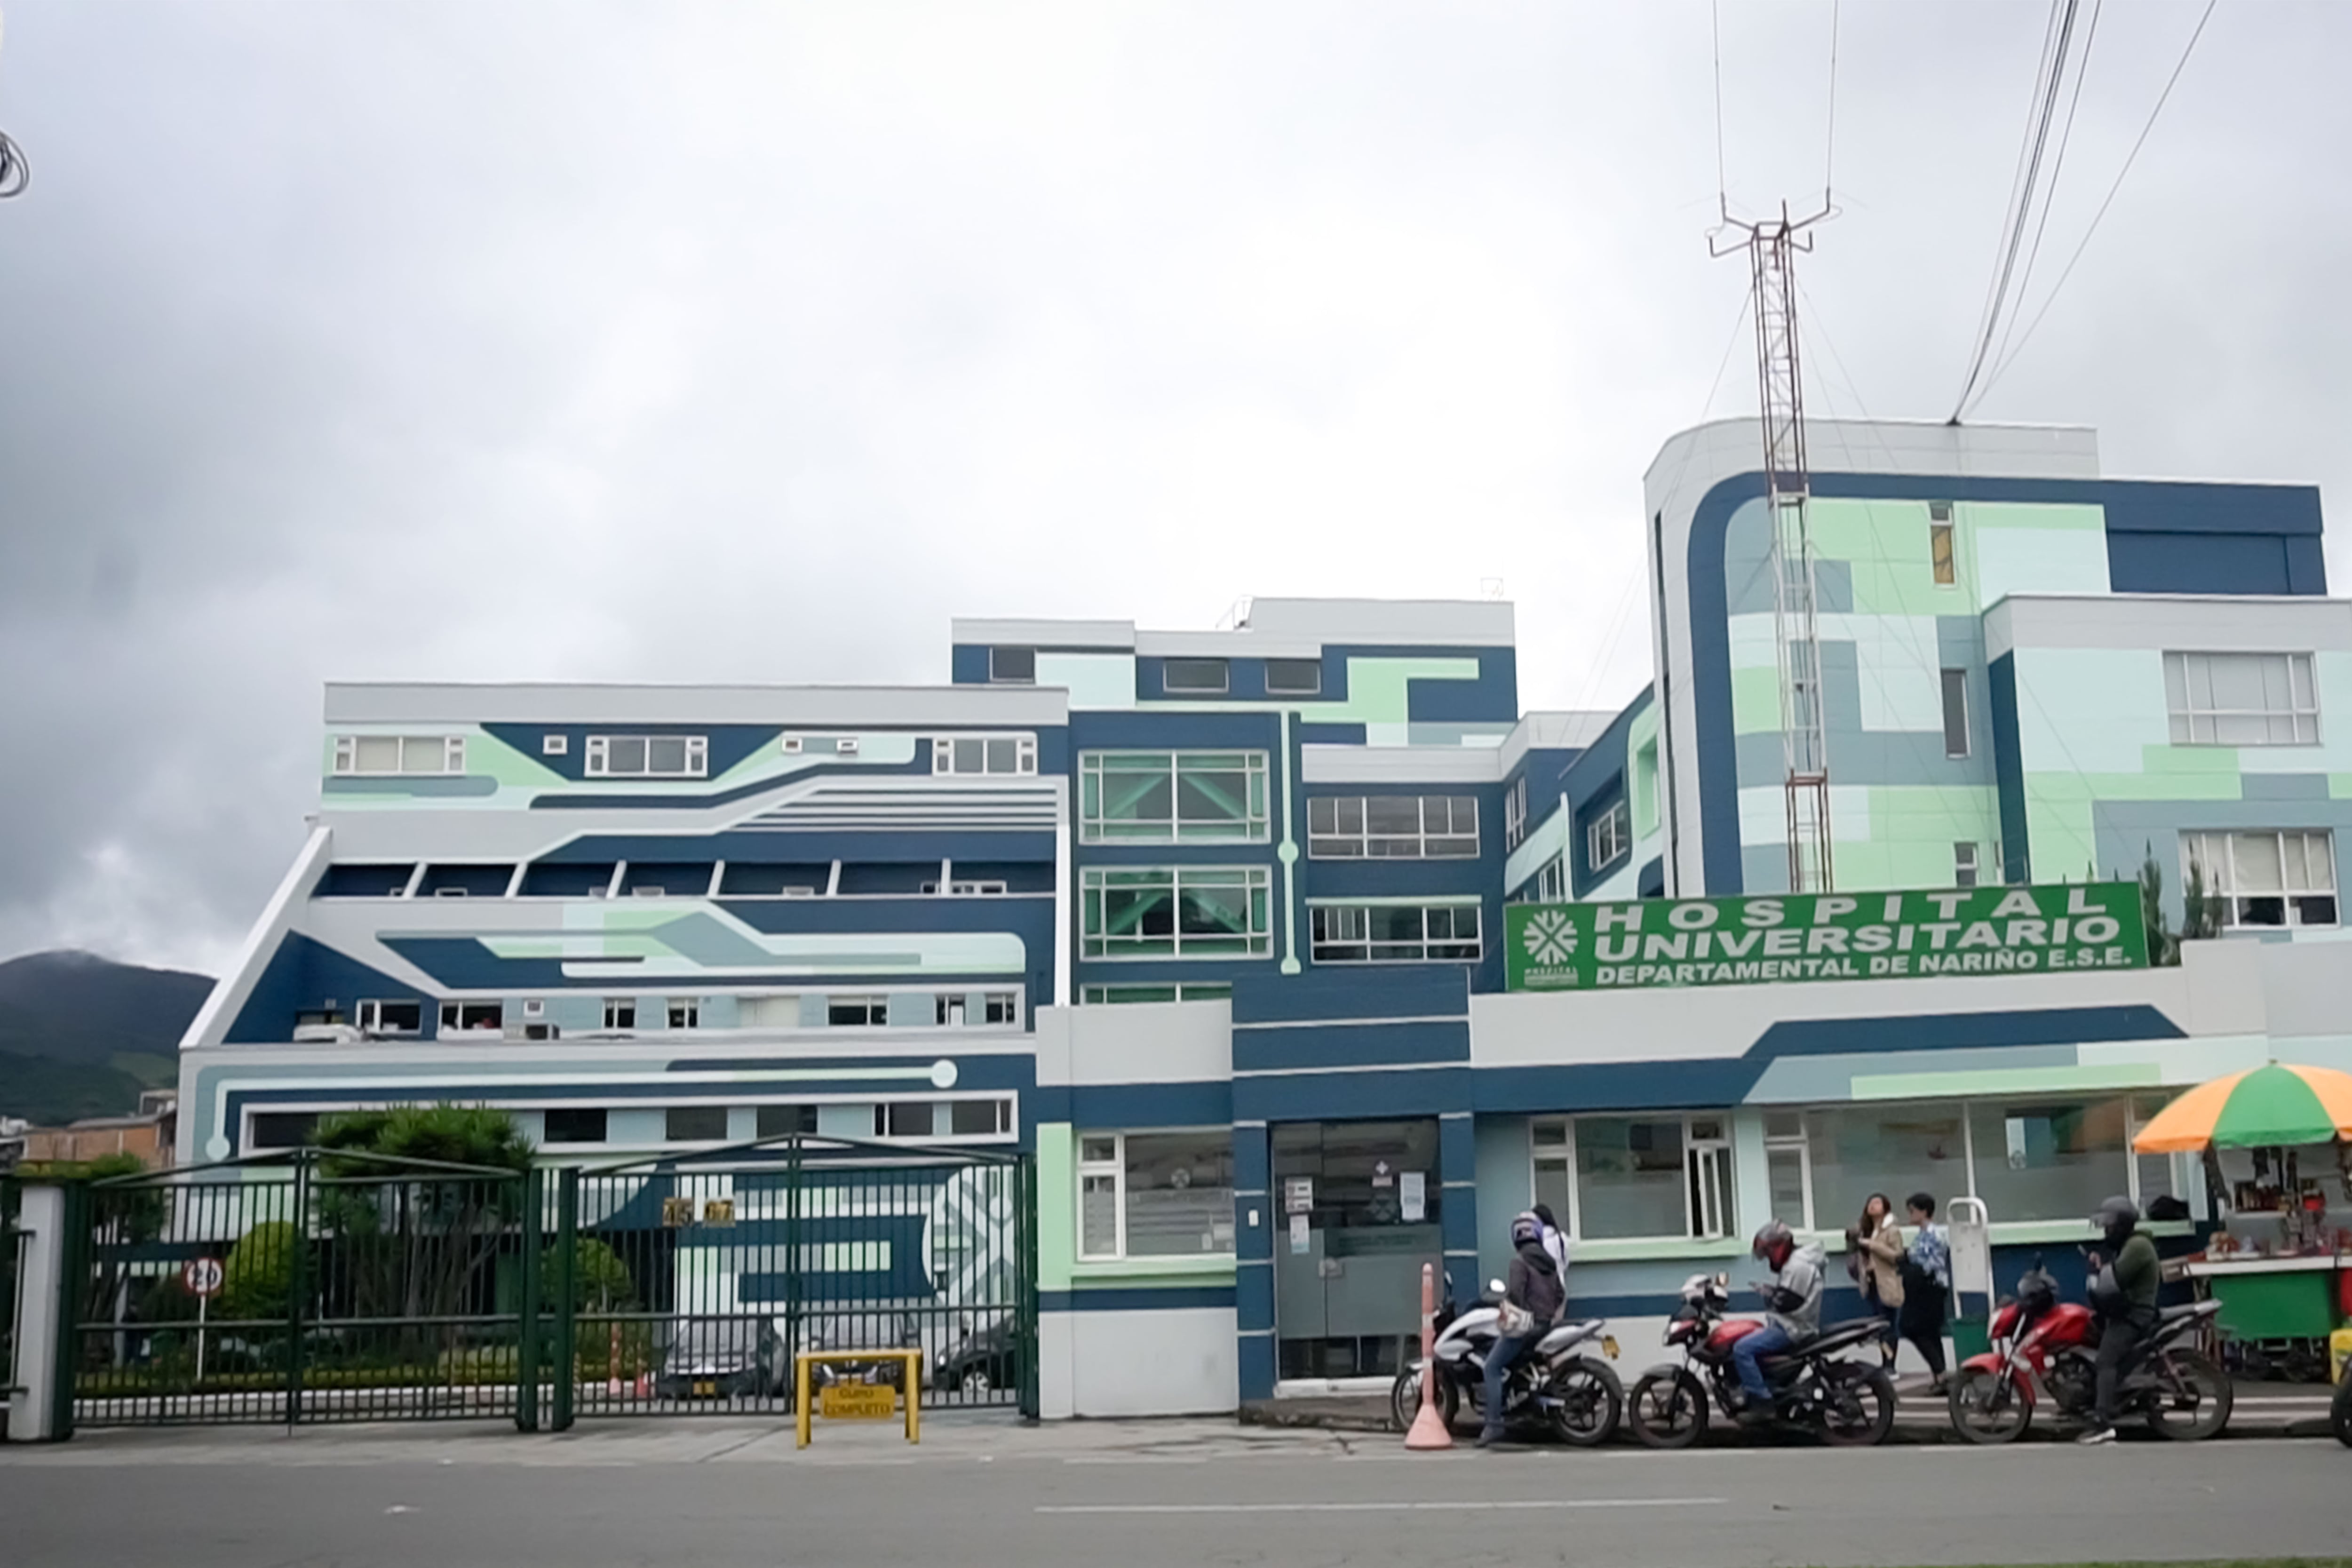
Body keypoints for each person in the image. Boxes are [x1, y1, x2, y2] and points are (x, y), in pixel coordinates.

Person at [2079, 1194, 2160, 1446]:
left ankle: (2103, 1423)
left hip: (2134, 1314)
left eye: (2110, 1227)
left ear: (2123, 1226)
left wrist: (2098, 1271)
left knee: (2105, 1361)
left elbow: (2116, 1280)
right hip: (2126, 1310)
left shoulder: (2137, 1247)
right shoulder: (2130, 1246)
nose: (2107, 1232)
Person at [1479, 1209, 1564, 1447]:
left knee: (1492, 1367)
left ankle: (1493, 1425)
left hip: (1526, 1327)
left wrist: (1512, 1308)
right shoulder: (1549, 1262)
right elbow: (1560, 1294)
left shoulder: (1519, 1261)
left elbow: (1516, 1294)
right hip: (1545, 1325)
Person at [1733, 1218, 1824, 1422]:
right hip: (1791, 1323)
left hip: (1792, 1328)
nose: (1769, 1259)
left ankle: (1762, 1402)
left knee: (1742, 1349)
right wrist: (1773, 1292)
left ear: (1779, 1247)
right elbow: (1790, 1295)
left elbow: (1789, 1302)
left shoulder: (1797, 1266)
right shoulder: (1798, 1263)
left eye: (1769, 1253)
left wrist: (1770, 1296)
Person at [1898, 1193, 1951, 1391]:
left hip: (1929, 1289)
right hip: (1923, 1288)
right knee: (1930, 1332)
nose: (1910, 1215)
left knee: (1913, 1328)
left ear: (1924, 1211)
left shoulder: (1932, 1235)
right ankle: (1940, 1376)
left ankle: (1939, 1372)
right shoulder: (1923, 1234)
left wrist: (1906, 1263)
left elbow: (1928, 1264)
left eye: (1912, 1211)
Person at [1846, 1193, 1905, 1359]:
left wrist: (1872, 1245)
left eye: (1878, 1203)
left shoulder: (1891, 1231)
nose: (1873, 1205)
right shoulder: (1865, 1229)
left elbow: (1897, 1256)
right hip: (1871, 1281)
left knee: (1888, 1324)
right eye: (1870, 1202)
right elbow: (1852, 1250)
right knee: (1878, 1325)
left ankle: (1890, 1364)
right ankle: (1884, 1359)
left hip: (1887, 1282)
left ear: (1886, 1207)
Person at [1532, 1203, 1571, 1321]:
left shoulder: (1536, 1241)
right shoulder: (1561, 1238)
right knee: (1557, 1325)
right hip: (1561, 1285)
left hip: (1541, 1289)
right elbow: (1565, 1263)